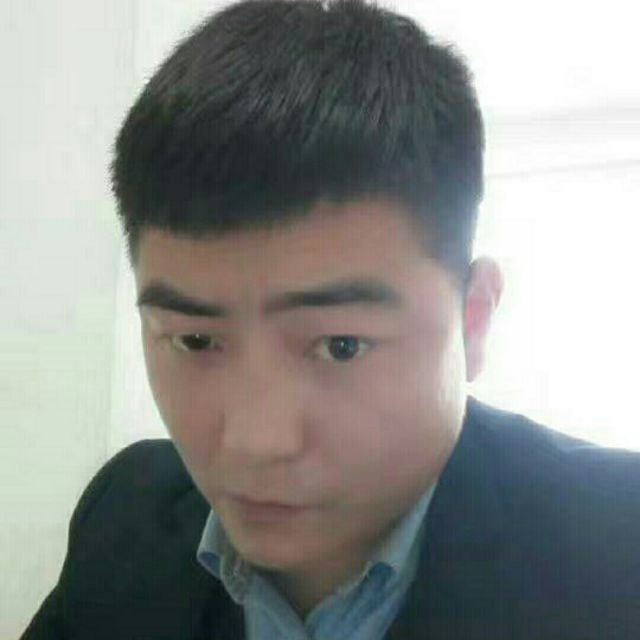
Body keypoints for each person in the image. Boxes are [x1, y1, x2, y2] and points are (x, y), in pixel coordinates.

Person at [21, 0, 640, 638]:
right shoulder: (126, 514)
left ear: (473, 317)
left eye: (341, 345)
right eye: (196, 340)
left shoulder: (621, 552)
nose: (257, 441)